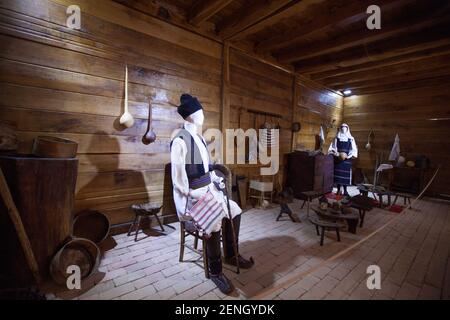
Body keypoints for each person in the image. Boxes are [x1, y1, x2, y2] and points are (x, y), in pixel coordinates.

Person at [170, 94, 254, 294]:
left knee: (235, 209)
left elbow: (205, 170)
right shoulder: (179, 141)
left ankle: (231, 255)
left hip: (208, 191)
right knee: (215, 219)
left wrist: (215, 179)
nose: (202, 114)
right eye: (199, 111)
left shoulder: (199, 138)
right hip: (191, 198)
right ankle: (215, 271)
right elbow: (178, 181)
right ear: (189, 115)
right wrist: (194, 195)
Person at [328, 123, 358, 197]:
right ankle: (338, 190)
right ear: (340, 129)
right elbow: (333, 147)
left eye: (345, 127)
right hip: (338, 158)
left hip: (346, 159)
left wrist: (349, 156)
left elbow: (353, 149)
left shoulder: (351, 138)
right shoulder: (336, 138)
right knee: (338, 175)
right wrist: (337, 154)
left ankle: (345, 190)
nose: (343, 129)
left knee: (345, 175)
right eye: (342, 127)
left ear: (347, 129)